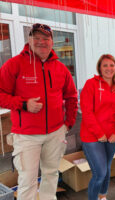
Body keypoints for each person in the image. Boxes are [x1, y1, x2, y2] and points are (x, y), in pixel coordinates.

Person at [0, 23, 78, 200]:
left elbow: (72, 97)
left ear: (52, 42)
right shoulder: (15, 64)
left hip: (56, 133)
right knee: (27, 181)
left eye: (45, 38)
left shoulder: (61, 68)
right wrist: (24, 104)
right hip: (27, 135)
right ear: (29, 40)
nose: (41, 42)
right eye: (37, 38)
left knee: (51, 176)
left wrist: (68, 124)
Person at [80, 54, 115, 200]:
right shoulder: (91, 84)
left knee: (107, 169)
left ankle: (102, 196)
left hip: (112, 137)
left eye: (112, 65)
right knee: (100, 173)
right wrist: (99, 133)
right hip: (92, 137)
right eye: (105, 65)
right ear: (99, 67)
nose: (109, 68)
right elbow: (87, 112)